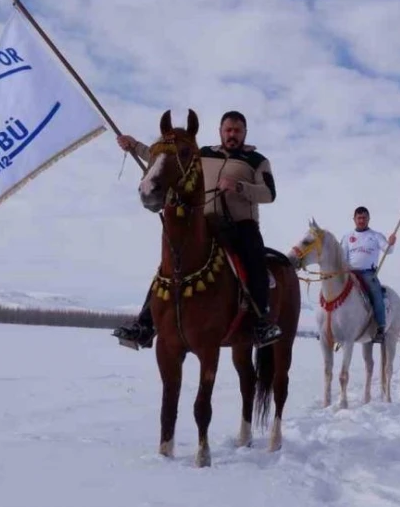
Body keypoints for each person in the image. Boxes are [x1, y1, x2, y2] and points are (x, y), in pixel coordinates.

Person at [111, 110, 283, 349]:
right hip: (205, 222)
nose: (232, 134)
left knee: (254, 260)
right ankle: (145, 323)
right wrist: (134, 146)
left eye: (237, 130)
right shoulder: (203, 154)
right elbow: (166, 156)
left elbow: (269, 193)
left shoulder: (257, 160)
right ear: (220, 131)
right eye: (228, 130)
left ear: (245, 133)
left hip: (241, 226)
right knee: (169, 265)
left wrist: (240, 187)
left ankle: (260, 322)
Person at [340, 206, 396, 343]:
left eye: (364, 217)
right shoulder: (347, 237)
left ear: (368, 219)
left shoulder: (376, 236)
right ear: (354, 219)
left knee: (376, 293)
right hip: (350, 272)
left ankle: (380, 328)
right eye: (359, 218)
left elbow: (388, 250)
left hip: (368, 273)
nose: (361, 220)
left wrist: (391, 243)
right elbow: (342, 257)